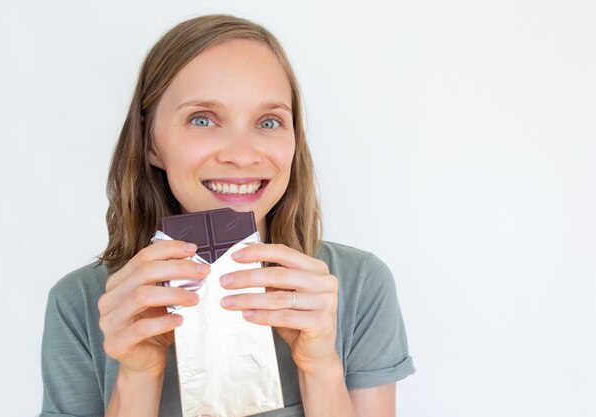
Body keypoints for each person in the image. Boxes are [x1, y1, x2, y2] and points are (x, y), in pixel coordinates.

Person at [40, 14, 415, 417]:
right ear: (151, 144)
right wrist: (136, 376)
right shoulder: (81, 304)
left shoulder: (358, 286)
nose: (241, 154)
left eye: (269, 121)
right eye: (202, 119)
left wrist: (321, 368)